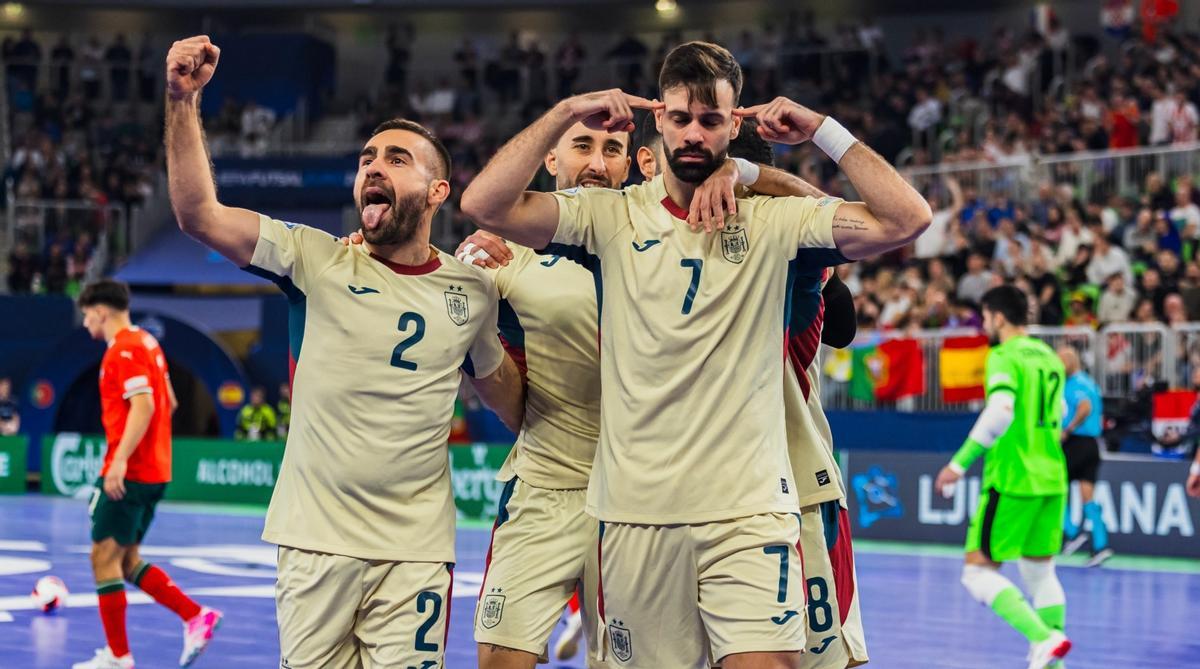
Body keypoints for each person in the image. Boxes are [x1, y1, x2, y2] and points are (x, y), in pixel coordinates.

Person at [462, 40, 929, 669]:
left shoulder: (776, 224)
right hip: (635, 514)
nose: (693, 133)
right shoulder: (608, 217)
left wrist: (820, 130)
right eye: (680, 117)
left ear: (733, 126)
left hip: (750, 509)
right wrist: (566, 109)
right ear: (658, 119)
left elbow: (906, 219)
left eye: (711, 120)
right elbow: (482, 205)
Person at [164, 35, 524, 668]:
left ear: (438, 191)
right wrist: (181, 99)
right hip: (313, 543)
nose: (374, 168)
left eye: (397, 159)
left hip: (414, 553)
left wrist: (522, 278)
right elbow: (199, 214)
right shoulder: (314, 257)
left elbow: (513, 404)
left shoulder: (472, 289)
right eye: (366, 159)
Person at [72, 280, 221, 669]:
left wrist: (121, 459)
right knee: (125, 561)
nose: (86, 325)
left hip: (132, 472)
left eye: (87, 317)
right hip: (154, 469)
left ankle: (118, 657)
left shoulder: (122, 349)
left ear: (101, 312)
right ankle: (195, 616)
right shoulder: (149, 343)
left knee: (102, 558)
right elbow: (169, 402)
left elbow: (146, 405)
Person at [935, 286, 1071, 669]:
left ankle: (1043, 638)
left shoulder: (1003, 355)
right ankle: (1054, 661)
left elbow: (1001, 410)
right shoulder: (1049, 357)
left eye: (985, 317)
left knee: (976, 572)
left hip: (1014, 478)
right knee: (1040, 573)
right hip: (1052, 476)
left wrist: (958, 464)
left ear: (998, 316)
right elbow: (1060, 409)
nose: (985, 324)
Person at [1057, 346, 1112, 567]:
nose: (1058, 365)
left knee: (1054, 486)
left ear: (1072, 361)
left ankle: (1071, 533)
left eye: (1062, 361)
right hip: (1092, 445)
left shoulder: (1077, 383)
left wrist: (1067, 429)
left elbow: (1085, 407)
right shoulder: (1087, 383)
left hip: (1077, 443)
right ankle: (1101, 545)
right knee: (1087, 494)